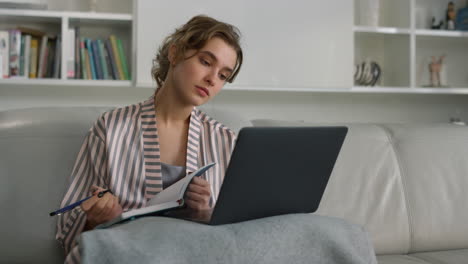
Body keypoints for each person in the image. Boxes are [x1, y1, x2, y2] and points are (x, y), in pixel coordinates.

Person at [56, 15, 243, 263]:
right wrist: (98, 218)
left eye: (223, 76)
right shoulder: (111, 127)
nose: (212, 79)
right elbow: (70, 230)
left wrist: (205, 214)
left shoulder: (225, 140)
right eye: (206, 61)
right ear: (174, 54)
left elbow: (236, 236)